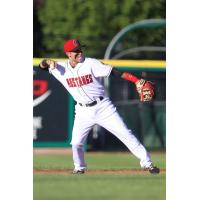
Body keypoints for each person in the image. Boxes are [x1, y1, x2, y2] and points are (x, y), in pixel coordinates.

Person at [39, 38, 160, 174]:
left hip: (103, 107)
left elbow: (115, 72)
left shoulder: (91, 63)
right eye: (75, 51)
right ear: (68, 54)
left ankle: (147, 163)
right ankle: (79, 168)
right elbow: (41, 66)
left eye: (80, 49)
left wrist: (136, 80)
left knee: (126, 134)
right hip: (82, 110)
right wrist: (47, 61)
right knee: (76, 143)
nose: (79, 52)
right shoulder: (60, 68)